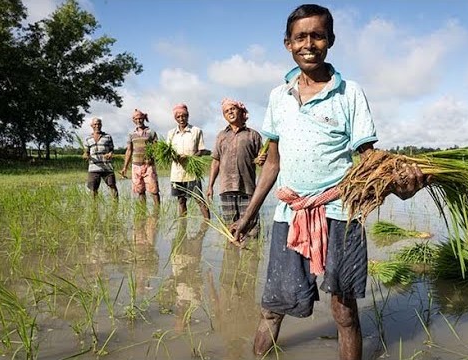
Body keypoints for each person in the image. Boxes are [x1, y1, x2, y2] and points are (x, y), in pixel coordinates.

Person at [230, 4, 428, 360]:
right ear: (287, 43)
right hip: (289, 216)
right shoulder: (279, 96)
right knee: (272, 306)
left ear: (330, 40)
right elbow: (272, 164)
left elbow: (369, 160)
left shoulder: (349, 93)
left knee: (344, 311)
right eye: (300, 36)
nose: (309, 43)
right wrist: (248, 215)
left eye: (318, 35)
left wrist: (401, 185)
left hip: (340, 214)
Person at [206, 98, 266, 242]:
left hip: (247, 188)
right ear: (224, 116)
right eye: (226, 111)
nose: (230, 112)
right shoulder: (221, 136)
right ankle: (231, 258)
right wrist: (210, 186)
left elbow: (263, 161)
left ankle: (251, 259)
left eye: (233, 109)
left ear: (241, 111)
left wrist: (261, 160)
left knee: (250, 227)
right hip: (226, 188)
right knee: (229, 228)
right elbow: (215, 161)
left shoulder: (253, 135)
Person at [167, 103, 211, 219]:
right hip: (177, 173)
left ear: (188, 116)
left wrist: (189, 157)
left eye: (184, 116)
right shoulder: (171, 133)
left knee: (199, 199)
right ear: (175, 118)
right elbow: (168, 152)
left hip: (192, 172)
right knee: (181, 200)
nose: (181, 119)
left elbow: (201, 150)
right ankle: (183, 224)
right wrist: (175, 157)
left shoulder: (196, 131)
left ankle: (208, 222)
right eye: (178, 117)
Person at [120, 109, 161, 209]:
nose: (139, 120)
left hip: (149, 165)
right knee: (140, 191)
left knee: (154, 190)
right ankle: (143, 212)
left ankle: (157, 212)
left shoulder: (151, 132)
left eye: (140, 118)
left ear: (144, 119)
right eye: (136, 119)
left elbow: (156, 148)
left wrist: (151, 157)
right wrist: (125, 167)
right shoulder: (131, 134)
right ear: (133, 120)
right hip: (136, 166)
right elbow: (129, 150)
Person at [83, 117, 118, 200]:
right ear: (91, 125)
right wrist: (86, 155)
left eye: (99, 124)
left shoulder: (108, 137)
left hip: (107, 167)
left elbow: (112, 150)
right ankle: (94, 208)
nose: (97, 126)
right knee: (93, 189)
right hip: (93, 168)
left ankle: (115, 206)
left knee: (112, 186)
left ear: (101, 125)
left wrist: (110, 154)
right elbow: (86, 152)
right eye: (95, 124)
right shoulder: (88, 138)